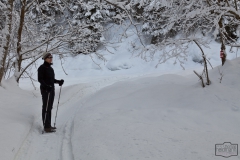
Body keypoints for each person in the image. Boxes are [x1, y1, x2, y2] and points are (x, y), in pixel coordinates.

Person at [38, 52, 64, 133]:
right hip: (45, 90)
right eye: (49, 57)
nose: (51, 58)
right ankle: (46, 126)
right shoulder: (41, 68)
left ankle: (48, 125)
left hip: (51, 90)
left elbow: (51, 80)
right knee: (46, 107)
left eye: (51, 57)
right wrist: (46, 87)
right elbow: (40, 79)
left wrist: (58, 82)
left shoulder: (50, 68)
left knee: (49, 107)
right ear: (45, 58)